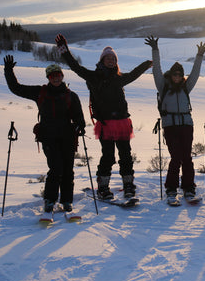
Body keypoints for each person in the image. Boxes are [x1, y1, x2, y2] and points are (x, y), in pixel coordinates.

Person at [55, 34, 152, 201]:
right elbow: (75, 67)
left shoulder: (119, 78)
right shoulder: (94, 77)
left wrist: (147, 63)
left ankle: (128, 184)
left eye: (113, 58)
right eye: (107, 58)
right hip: (106, 123)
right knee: (108, 156)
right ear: (102, 60)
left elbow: (135, 74)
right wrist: (64, 50)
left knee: (126, 155)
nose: (111, 60)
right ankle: (103, 187)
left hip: (122, 122)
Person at [3, 56, 85, 213]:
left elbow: (78, 116)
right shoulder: (40, 92)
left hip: (67, 137)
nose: (56, 78)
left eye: (58, 75)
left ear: (62, 76)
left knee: (68, 169)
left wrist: (80, 125)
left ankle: (67, 201)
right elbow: (16, 88)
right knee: (56, 168)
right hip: (48, 136)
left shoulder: (71, 95)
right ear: (48, 78)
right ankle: (49, 200)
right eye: (53, 76)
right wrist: (8, 71)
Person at [146, 35, 205, 204]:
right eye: (175, 74)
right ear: (170, 75)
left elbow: (195, 73)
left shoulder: (186, 87)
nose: (177, 76)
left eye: (180, 74)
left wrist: (199, 56)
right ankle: (171, 188)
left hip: (186, 125)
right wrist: (155, 50)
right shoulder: (163, 85)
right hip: (170, 126)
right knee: (176, 157)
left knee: (187, 157)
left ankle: (189, 187)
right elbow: (156, 69)